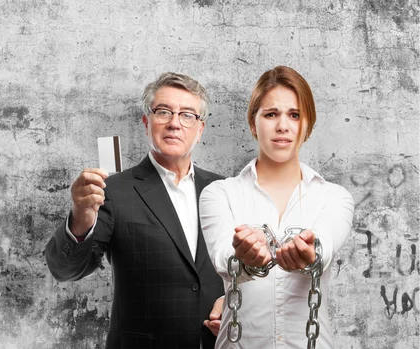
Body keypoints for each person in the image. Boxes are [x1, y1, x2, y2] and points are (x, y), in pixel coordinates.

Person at [46, 72, 225, 349]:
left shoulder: (222, 189)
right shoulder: (113, 191)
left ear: (200, 129)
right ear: (147, 122)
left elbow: (244, 269)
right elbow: (66, 270)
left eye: (187, 115)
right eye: (163, 112)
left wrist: (234, 302)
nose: (175, 123)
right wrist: (81, 215)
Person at [199, 66, 354, 348]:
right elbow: (223, 258)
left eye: (294, 115)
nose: (283, 125)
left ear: (308, 126)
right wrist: (244, 257)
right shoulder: (220, 194)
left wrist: (309, 253)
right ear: (252, 123)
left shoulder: (334, 197)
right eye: (271, 114)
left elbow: (325, 246)